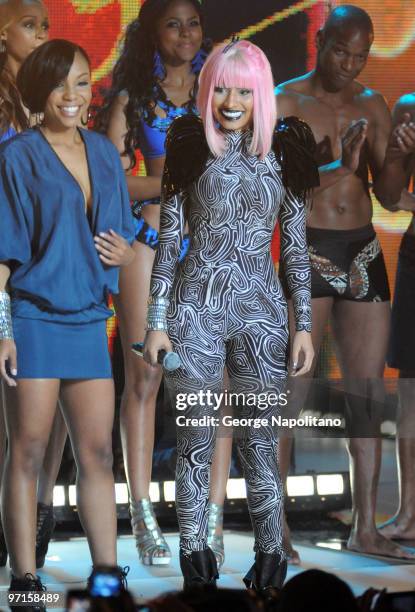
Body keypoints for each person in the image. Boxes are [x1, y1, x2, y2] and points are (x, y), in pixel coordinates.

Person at [143, 39, 316, 590]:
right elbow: (169, 240)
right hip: (195, 308)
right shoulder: (190, 142)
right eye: (221, 87)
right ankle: (196, 562)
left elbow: (293, 245)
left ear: (260, 92)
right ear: (206, 89)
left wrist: (303, 323)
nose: (231, 99)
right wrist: (155, 321)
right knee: (194, 437)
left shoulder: (287, 147)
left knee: (259, 441)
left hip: (262, 314)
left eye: (243, 89)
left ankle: (270, 562)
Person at [95, 0, 232, 568]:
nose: (185, 32)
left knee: (216, 385)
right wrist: (166, 182)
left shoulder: (224, 93)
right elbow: (106, 183)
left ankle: (212, 521)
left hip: (212, 250)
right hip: (147, 248)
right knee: (145, 380)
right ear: (152, 31)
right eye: (173, 22)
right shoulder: (132, 100)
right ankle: (145, 517)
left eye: (193, 22)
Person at [276, 4, 414, 562]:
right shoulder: (285, 99)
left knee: (366, 392)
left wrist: (401, 154)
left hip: (360, 252)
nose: (351, 65)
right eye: (342, 51)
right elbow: (274, 192)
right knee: (292, 391)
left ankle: (365, 529)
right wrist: (336, 164)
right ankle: (274, 527)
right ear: (320, 40)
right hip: (305, 249)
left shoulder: (372, 103)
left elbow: (387, 192)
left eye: (361, 56)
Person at [0, 39, 134, 610]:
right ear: (39, 92)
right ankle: (26, 579)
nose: (73, 96)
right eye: (60, 85)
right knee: (27, 452)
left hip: (87, 319)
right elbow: (3, 258)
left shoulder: (104, 152)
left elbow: (120, 231)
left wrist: (126, 254)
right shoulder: (17, 157)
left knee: (98, 454)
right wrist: (3, 329)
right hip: (32, 317)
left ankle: (106, 575)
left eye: (82, 82)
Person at [0, 0, 68, 569]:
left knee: (53, 413)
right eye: (30, 24)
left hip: (51, 270)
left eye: (46, 25)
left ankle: (41, 508)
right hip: (7, 269)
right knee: (17, 417)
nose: (43, 34)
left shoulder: (54, 96)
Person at [374, 94, 415, 540]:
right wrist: (399, 155)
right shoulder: (411, 107)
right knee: (411, 388)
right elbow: (387, 196)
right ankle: (409, 513)